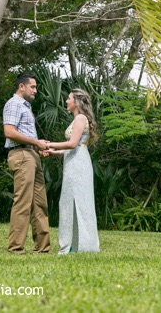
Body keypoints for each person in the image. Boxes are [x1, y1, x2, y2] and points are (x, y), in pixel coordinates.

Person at [46, 89, 100, 255]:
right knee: (69, 201)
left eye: (69, 98)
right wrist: (52, 151)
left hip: (78, 163)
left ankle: (80, 245)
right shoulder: (77, 119)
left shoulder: (80, 118)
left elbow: (72, 144)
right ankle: (73, 245)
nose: (66, 101)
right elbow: (72, 147)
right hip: (74, 160)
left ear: (76, 102)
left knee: (78, 202)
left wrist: (49, 144)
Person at [3, 72, 50, 254]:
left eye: (36, 87)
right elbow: (9, 132)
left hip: (31, 155)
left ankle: (43, 248)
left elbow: (25, 133)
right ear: (21, 86)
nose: (35, 91)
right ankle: (15, 248)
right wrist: (35, 143)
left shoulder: (25, 106)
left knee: (40, 203)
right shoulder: (13, 104)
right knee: (23, 202)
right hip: (21, 155)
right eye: (33, 87)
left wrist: (38, 147)